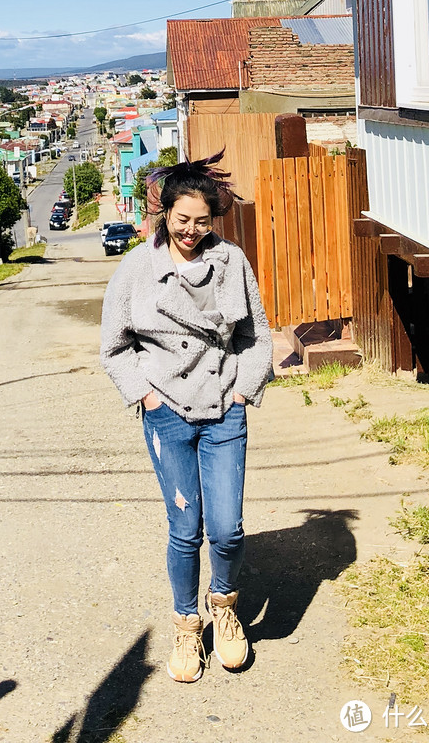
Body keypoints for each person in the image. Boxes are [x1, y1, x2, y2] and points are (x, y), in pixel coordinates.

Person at [99, 150, 273, 683]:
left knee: (226, 529)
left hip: (224, 410)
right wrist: (146, 396)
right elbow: (114, 346)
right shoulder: (138, 268)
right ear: (164, 215)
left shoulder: (232, 262)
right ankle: (186, 623)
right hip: (167, 414)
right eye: (182, 220)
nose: (192, 230)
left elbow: (257, 336)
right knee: (185, 527)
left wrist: (243, 391)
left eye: (202, 221)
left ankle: (224, 607)